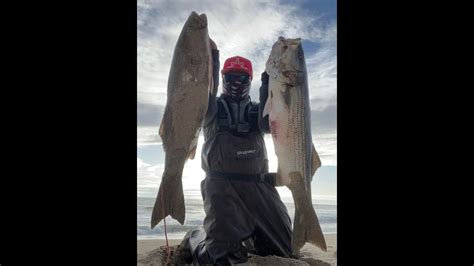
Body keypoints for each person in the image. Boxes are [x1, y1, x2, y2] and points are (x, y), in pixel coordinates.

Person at [180, 38, 293, 265]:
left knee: (284, 249)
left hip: (259, 187)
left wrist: (268, 79)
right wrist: (212, 55)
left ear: (249, 81)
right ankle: (196, 237)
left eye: (242, 78)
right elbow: (204, 90)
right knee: (219, 259)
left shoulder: (258, 113)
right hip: (222, 189)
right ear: (222, 79)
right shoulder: (211, 110)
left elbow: (267, 125)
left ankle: (246, 236)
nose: (236, 82)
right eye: (230, 77)